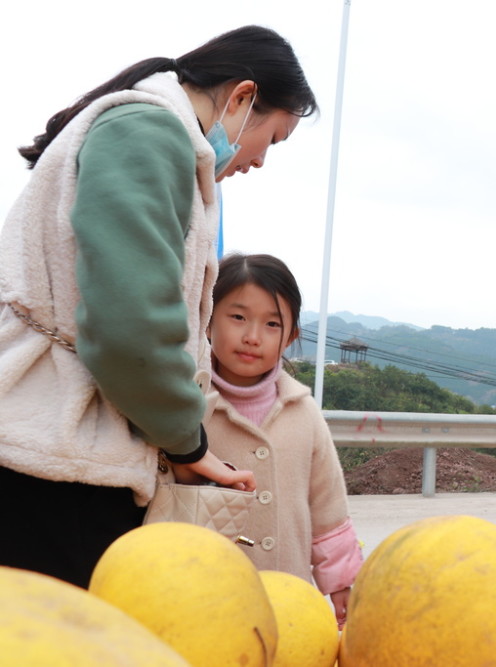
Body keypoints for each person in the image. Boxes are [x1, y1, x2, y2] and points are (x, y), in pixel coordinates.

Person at [0, 25, 317, 589]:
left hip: (50, 446)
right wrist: (185, 438)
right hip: (53, 459)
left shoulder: (148, 132)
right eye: (274, 137)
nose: (262, 160)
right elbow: (131, 325)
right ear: (243, 97)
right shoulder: (149, 132)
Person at [204, 253, 362, 627]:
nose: (252, 337)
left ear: (290, 336)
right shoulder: (186, 406)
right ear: (207, 319)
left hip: (289, 604)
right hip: (203, 599)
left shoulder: (302, 411)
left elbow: (328, 508)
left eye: (272, 324)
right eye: (238, 317)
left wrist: (341, 581)